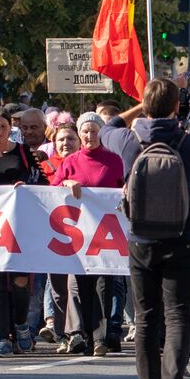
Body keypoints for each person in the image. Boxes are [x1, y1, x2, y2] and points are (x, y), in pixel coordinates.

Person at [126, 78, 190, 379]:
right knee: (178, 316)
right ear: (178, 107)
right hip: (182, 236)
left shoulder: (130, 138)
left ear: (144, 105)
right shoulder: (188, 141)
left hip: (141, 239)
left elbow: (108, 124)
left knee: (146, 317)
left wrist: (141, 109)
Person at [0, 108, 45, 358]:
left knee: (20, 283)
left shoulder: (23, 152)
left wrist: (26, 187)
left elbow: (43, 184)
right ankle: (2, 338)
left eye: (2, 126)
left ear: (8, 128)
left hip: (19, 227)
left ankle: (21, 325)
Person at [52, 112, 125, 357]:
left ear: (101, 133)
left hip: (106, 234)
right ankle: (84, 333)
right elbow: (51, 191)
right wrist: (65, 184)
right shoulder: (70, 161)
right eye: (85, 131)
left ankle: (101, 338)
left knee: (105, 285)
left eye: (94, 131)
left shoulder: (114, 160)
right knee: (83, 284)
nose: (90, 135)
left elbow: (123, 188)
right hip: (78, 233)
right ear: (80, 133)